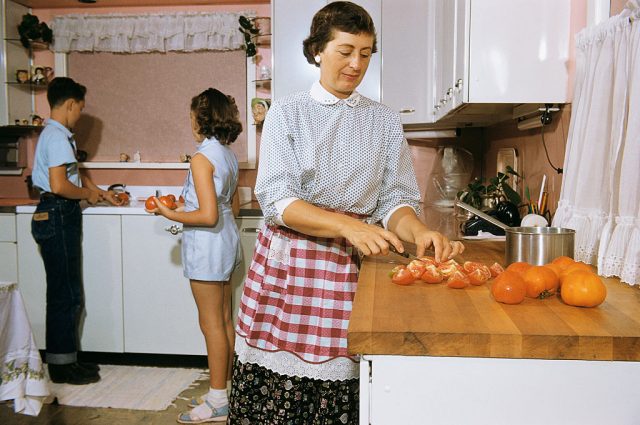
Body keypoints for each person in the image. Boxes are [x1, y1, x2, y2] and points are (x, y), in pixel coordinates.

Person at [228, 2, 465, 423]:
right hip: (290, 270)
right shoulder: (287, 112)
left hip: (348, 272)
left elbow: (394, 200)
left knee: (344, 391)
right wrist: (349, 226)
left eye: (366, 52)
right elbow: (278, 199)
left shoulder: (384, 121)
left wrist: (417, 230)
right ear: (318, 50)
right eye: (345, 50)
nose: (357, 64)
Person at [145, 88, 242, 424]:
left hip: (207, 246)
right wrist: (189, 206)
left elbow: (207, 216)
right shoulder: (228, 155)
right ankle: (225, 390)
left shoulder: (202, 158)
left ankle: (217, 402)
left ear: (200, 118)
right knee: (225, 320)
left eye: (191, 116)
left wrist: (168, 213)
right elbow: (231, 207)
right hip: (226, 242)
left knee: (211, 324)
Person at [31, 77, 122, 385]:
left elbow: (75, 174)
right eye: (80, 109)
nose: (80, 115)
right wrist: (86, 195)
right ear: (69, 104)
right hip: (57, 213)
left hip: (56, 214)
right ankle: (60, 367)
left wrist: (99, 192)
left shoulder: (57, 135)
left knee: (67, 293)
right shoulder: (57, 136)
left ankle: (67, 360)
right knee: (65, 295)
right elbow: (59, 185)